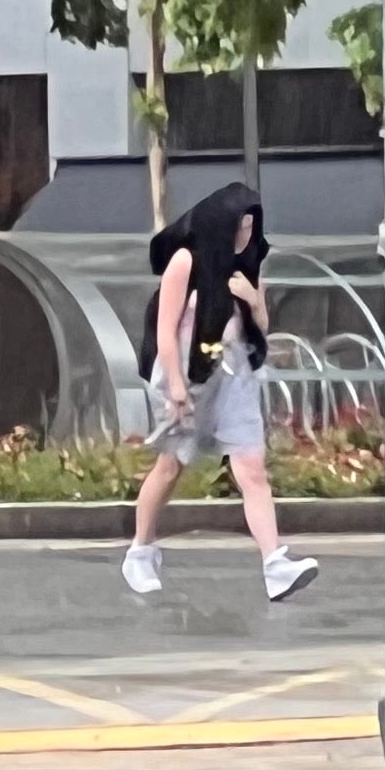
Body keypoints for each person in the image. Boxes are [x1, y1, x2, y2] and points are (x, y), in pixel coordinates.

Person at [122, 179, 317, 604]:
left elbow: (260, 328)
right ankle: (140, 550)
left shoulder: (246, 267)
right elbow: (166, 331)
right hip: (188, 373)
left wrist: (253, 299)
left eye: (251, 228)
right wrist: (174, 383)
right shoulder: (185, 262)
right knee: (170, 466)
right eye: (238, 227)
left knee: (251, 468)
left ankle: (275, 564)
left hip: (235, 372)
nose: (244, 236)